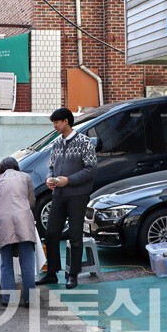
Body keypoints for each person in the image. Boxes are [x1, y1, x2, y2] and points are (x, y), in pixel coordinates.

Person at [37, 107, 97, 290]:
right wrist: (49, 179)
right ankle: (52, 273)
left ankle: (73, 275)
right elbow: (52, 167)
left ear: (66, 121)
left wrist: (68, 180)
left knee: (75, 235)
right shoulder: (56, 144)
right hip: (58, 195)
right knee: (51, 233)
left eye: (56, 122)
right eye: (54, 122)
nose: (54, 126)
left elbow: (91, 169)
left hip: (77, 196)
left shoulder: (84, 142)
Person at [0, 157, 36, 307]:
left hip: (4, 223)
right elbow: (31, 202)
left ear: (0, 169)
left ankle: (8, 299)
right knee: (27, 264)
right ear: (16, 167)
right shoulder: (26, 178)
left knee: (6, 264)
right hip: (25, 222)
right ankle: (29, 299)